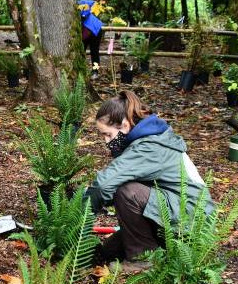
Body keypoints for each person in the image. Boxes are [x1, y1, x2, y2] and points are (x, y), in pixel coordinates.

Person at [86, 91, 213, 264]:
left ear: (124, 125)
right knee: (106, 252)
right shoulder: (149, 137)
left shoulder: (148, 147)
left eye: (108, 134)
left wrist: (79, 215)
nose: (107, 142)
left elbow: (103, 185)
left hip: (190, 219)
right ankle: (150, 250)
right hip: (176, 208)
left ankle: (143, 261)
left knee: (127, 192)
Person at [78, 0, 105, 78]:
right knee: (81, 51)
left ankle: (95, 71)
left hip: (95, 30)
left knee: (94, 52)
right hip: (86, 31)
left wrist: (85, 13)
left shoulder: (80, 3)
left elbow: (93, 2)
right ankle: (81, 70)